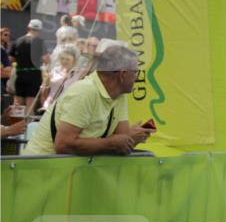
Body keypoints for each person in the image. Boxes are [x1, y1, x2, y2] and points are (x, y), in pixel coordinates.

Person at [23, 44, 154, 156]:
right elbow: (63, 145)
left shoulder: (119, 94)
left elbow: (121, 142)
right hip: (40, 171)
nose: (137, 78)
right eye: (135, 72)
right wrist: (113, 142)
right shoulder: (85, 92)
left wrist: (130, 138)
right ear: (123, 74)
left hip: (66, 172)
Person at [10, 20, 46, 113]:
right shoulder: (40, 42)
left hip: (20, 75)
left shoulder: (17, 41)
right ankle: (26, 125)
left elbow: (11, 59)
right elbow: (45, 59)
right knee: (30, 104)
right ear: (40, 31)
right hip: (34, 76)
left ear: (28, 28)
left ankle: (15, 124)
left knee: (17, 103)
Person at [39, 45, 80, 111]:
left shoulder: (79, 73)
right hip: (51, 105)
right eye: (62, 58)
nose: (64, 61)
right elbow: (43, 91)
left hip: (69, 107)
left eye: (67, 59)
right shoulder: (55, 70)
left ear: (74, 60)